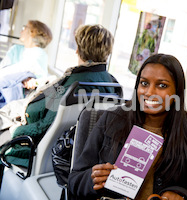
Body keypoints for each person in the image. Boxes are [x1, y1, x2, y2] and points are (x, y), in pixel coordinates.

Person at [68, 54, 187, 200]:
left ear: (177, 91)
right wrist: (92, 179)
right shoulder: (112, 119)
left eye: (162, 85)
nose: (149, 92)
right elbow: (74, 180)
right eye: (144, 83)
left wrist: (178, 195)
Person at [0, 24, 117, 168]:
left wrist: (16, 130)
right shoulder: (109, 82)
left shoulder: (73, 85)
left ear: (79, 50)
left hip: (30, 133)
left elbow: (42, 127)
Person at [0, 20, 52, 108]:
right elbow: (3, 69)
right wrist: (22, 77)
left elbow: (38, 77)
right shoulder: (15, 49)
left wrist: (24, 76)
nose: (21, 31)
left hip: (16, 99)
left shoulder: (40, 54)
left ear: (33, 32)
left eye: (25, 28)